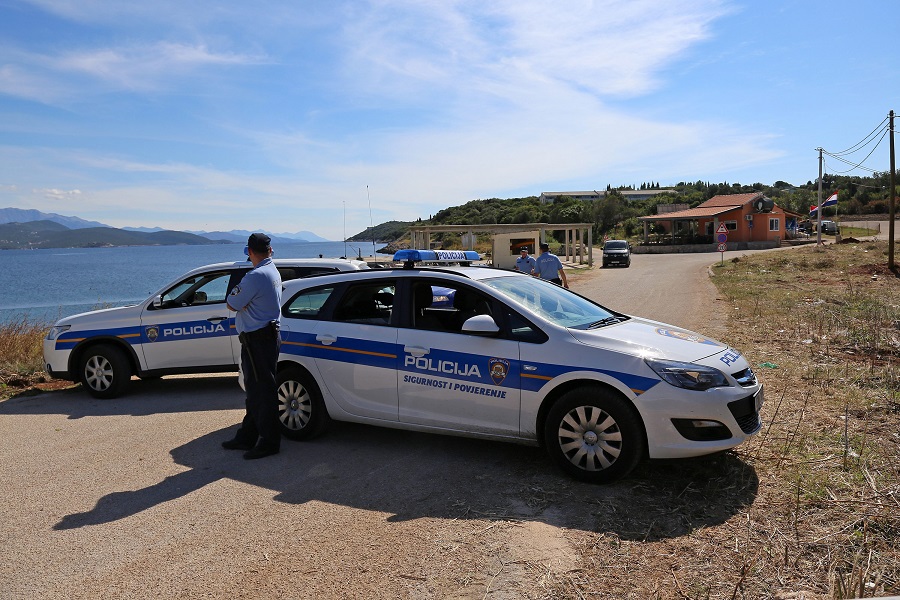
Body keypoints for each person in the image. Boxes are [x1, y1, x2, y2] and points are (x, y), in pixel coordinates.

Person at [222, 233, 283, 460]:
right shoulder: (272, 270)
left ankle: (269, 442)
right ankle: (247, 435)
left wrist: (243, 305)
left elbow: (231, 303)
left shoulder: (255, 276)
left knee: (262, 392)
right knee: (255, 390)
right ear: (269, 250)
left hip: (258, 340)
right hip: (263, 338)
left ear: (249, 252)